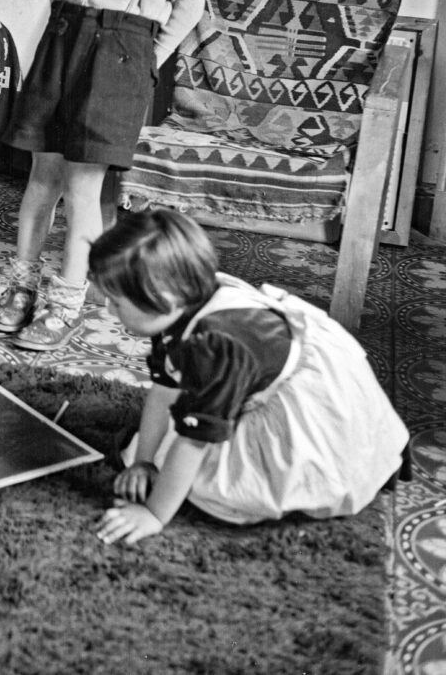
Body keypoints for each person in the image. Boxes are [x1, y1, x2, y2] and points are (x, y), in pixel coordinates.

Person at [0, 0, 207, 350]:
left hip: (122, 55)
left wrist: (145, 59)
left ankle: (67, 303)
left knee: (84, 187)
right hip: (64, 44)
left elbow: (188, 4)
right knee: (42, 175)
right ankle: (21, 286)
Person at [89, 208, 410, 546]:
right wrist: (143, 461)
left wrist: (154, 514)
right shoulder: (177, 307)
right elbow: (163, 389)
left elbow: (195, 439)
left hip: (313, 409)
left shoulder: (213, 348)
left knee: (213, 487)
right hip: (257, 370)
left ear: (164, 299)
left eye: (116, 303)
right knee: (159, 449)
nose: (109, 311)